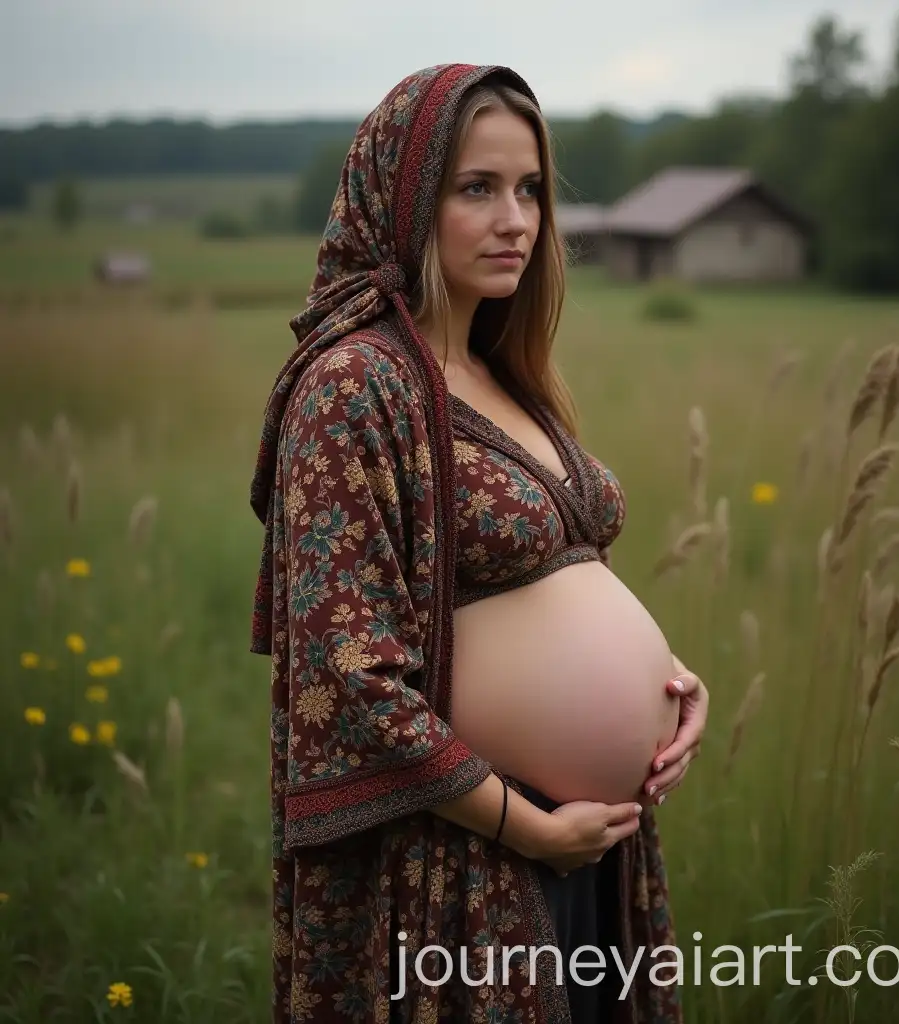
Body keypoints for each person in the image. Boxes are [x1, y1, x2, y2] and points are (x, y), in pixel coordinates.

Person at [249, 63, 709, 1024]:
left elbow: (548, 579)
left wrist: (668, 679)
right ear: (406, 200)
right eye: (477, 189)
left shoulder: (509, 372)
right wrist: (529, 828)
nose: (517, 219)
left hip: (593, 837)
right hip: (470, 854)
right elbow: (352, 674)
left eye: (531, 189)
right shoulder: (355, 386)